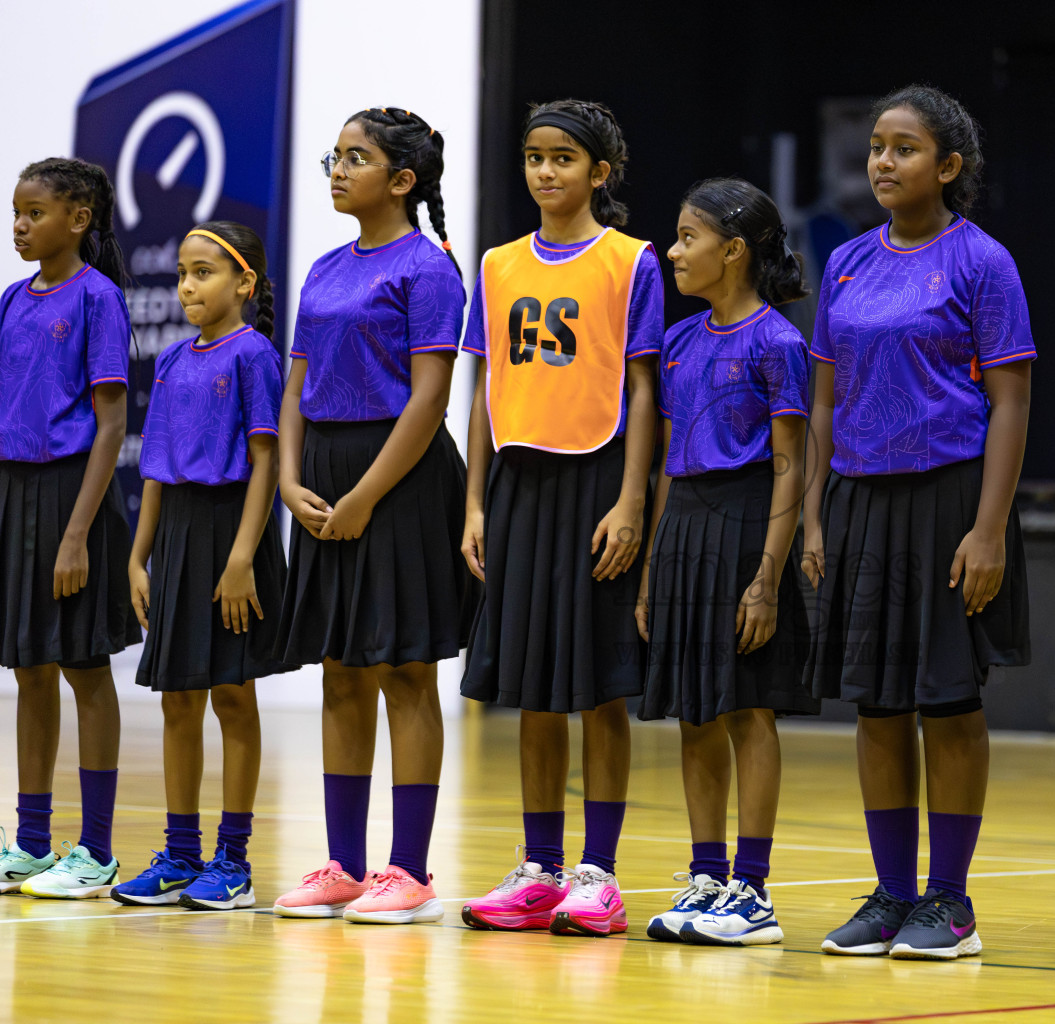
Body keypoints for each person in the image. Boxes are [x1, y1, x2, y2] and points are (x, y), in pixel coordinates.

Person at [803, 84, 1033, 961]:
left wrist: (989, 528)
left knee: (948, 700)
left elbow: (1011, 403)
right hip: (861, 498)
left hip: (949, 501)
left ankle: (951, 901)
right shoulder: (846, 263)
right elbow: (825, 400)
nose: (883, 162)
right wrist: (815, 515)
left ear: (948, 165)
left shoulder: (983, 262)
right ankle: (893, 894)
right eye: (876, 147)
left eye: (904, 148)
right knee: (877, 704)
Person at [459, 99, 661, 938]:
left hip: (597, 483)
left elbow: (644, 388)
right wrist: (474, 501)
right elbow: (484, 387)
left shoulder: (632, 261)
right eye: (535, 156)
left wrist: (632, 499)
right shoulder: (498, 264)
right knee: (532, 691)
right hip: (518, 485)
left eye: (564, 158)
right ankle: (539, 870)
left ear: (599, 172)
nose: (546, 171)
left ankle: (598, 874)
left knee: (598, 688)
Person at [272, 107, 472, 925]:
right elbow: (295, 386)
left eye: (356, 158)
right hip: (322, 476)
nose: (338, 169)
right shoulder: (323, 269)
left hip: (401, 478)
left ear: (402, 180)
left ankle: (410, 872)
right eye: (336, 155)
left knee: (405, 669)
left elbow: (429, 399)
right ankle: (344, 865)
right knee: (340, 670)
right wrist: (289, 480)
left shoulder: (429, 270)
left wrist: (365, 496)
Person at [638, 177, 817, 946]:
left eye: (688, 237)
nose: (674, 251)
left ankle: (754, 889)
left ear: (734, 250)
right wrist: (653, 565)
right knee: (695, 710)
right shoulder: (679, 343)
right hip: (685, 526)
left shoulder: (779, 342)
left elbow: (790, 465)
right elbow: (668, 463)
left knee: (748, 709)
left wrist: (768, 577)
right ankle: (706, 877)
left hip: (748, 526)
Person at [110, 222, 289, 911]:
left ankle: (233, 862)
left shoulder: (255, 356)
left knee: (233, 696)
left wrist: (243, 557)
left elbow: (266, 461)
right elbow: (155, 470)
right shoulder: (172, 360)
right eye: (183, 272)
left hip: (233, 535)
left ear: (244, 283)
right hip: (180, 538)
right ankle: (180, 854)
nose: (187, 286)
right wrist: (137, 557)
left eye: (204, 272)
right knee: (178, 698)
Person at [1, 158, 137, 899]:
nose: (20, 226)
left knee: (85, 667)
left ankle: (98, 849)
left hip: (72, 496)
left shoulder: (99, 298)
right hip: (15, 494)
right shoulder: (10, 300)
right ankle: (30, 842)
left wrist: (78, 534)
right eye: (16, 213)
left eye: (35, 213)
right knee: (29, 669)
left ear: (78, 220)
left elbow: (111, 425)